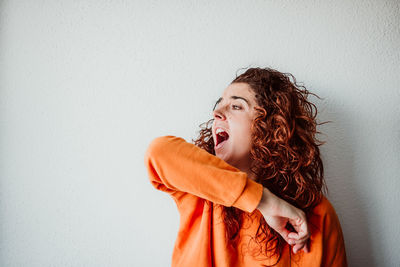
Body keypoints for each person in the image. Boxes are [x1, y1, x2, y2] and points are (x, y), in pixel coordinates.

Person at [144, 67, 348, 266]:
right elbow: (158, 151)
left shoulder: (316, 217)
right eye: (218, 104)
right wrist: (264, 201)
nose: (216, 112)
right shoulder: (199, 191)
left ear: (271, 126)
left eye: (236, 106)